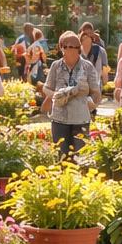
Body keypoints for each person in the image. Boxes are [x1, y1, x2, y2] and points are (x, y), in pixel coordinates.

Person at [43, 30, 103, 158]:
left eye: (72, 47)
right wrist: (57, 95)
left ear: (78, 49)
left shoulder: (87, 67)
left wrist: (91, 104)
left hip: (80, 118)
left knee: (80, 157)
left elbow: (96, 92)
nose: (68, 50)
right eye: (65, 47)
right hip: (59, 117)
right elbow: (46, 88)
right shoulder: (56, 66)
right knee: (61, 157)